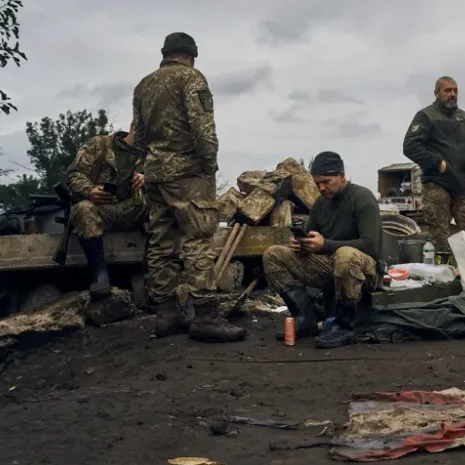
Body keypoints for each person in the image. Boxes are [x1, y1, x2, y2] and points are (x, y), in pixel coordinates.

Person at [132, 31, 245, 342]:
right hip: (188, 174)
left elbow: (138, 136)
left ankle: (167, 314)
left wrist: (146, 167)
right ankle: (206, 317)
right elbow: (203, 128)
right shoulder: (192, 78)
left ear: (164, 53)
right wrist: (209, 166)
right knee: (197, 239)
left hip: (155, 175)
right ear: (192, 54)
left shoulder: (144, 85)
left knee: (161, 244)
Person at [261, 151, 382, 348]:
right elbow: (311, 237)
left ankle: (344, 325)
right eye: (317, 183)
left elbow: (371, 246)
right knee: (274, 254)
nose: (321, 187)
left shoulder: (363, 198)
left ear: (341, 176)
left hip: (364, 271)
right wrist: (301, 244)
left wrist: (324, 245)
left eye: (326, 181)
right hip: (330, 267)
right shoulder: (321, 203)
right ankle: (305, 319)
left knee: (345, 255)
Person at [65, 123, 147, 301]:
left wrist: (146, 179)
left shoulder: (150, 155)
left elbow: (169, 181)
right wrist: (89, 191)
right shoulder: (99, 145)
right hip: (102, 209)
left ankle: (151, 274)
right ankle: (100, 275)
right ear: (135, 126)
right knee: (82, 208)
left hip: (131, 210)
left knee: (161, 208)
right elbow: (74, 175)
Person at [403, 77, 465, 251]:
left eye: (455, 90)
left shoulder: (464, 117)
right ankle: (444, 274)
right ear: (437, 93)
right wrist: (436, 161)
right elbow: (410, 146)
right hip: (437, 185)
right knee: (441, 238)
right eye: (447, 90)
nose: (452, 94)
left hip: (462, 185)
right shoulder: (426, 116)